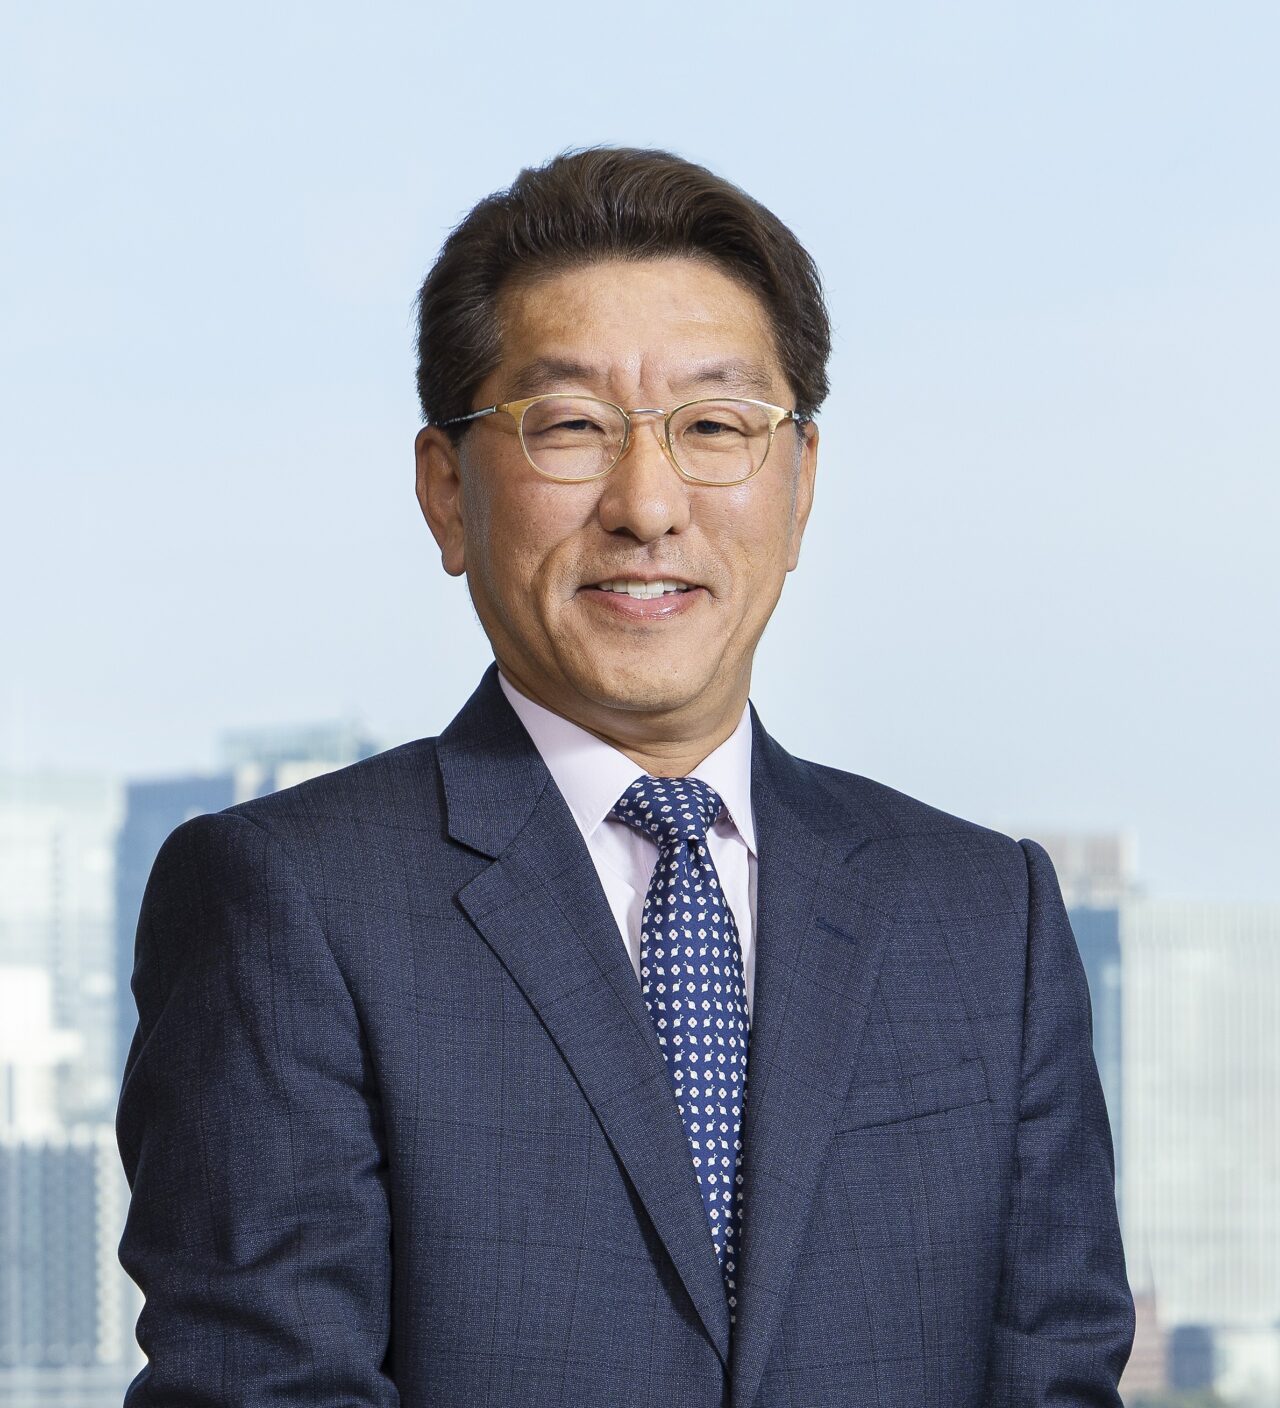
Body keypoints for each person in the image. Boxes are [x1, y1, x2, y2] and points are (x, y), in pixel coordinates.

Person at [115, 145, 1135, 1407]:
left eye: (714, 427)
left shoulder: (985, 916)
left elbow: (1055, 1376)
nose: (647, 505)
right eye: (570, 427)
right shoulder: (290, 900)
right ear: (445, 492)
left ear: (800, 484)